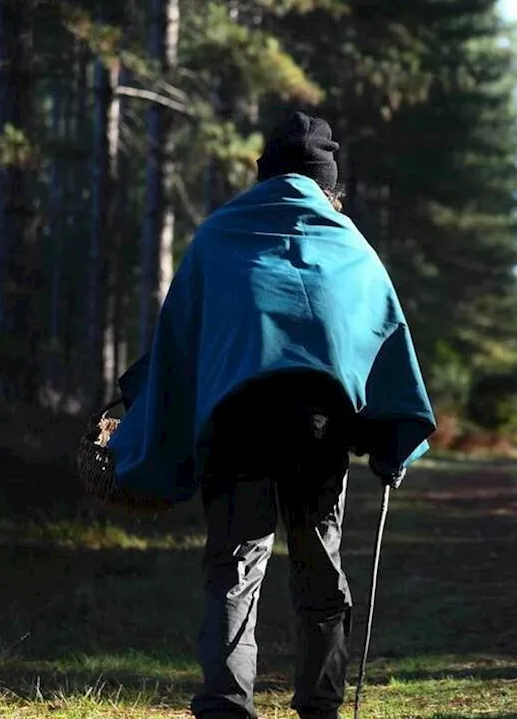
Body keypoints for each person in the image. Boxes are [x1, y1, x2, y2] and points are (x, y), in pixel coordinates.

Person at [106, 112, 436, 719]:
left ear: (264, 176)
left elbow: (182, 344)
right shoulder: (349, 245)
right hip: (318, 430)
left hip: (238, 426)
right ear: (328, 184)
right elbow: (378, 345)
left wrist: (142, 409)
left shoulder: (218, 237)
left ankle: (226, 707)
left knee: (234, 567)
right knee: (319, 566)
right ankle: (320, 705)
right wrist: (385, 436)